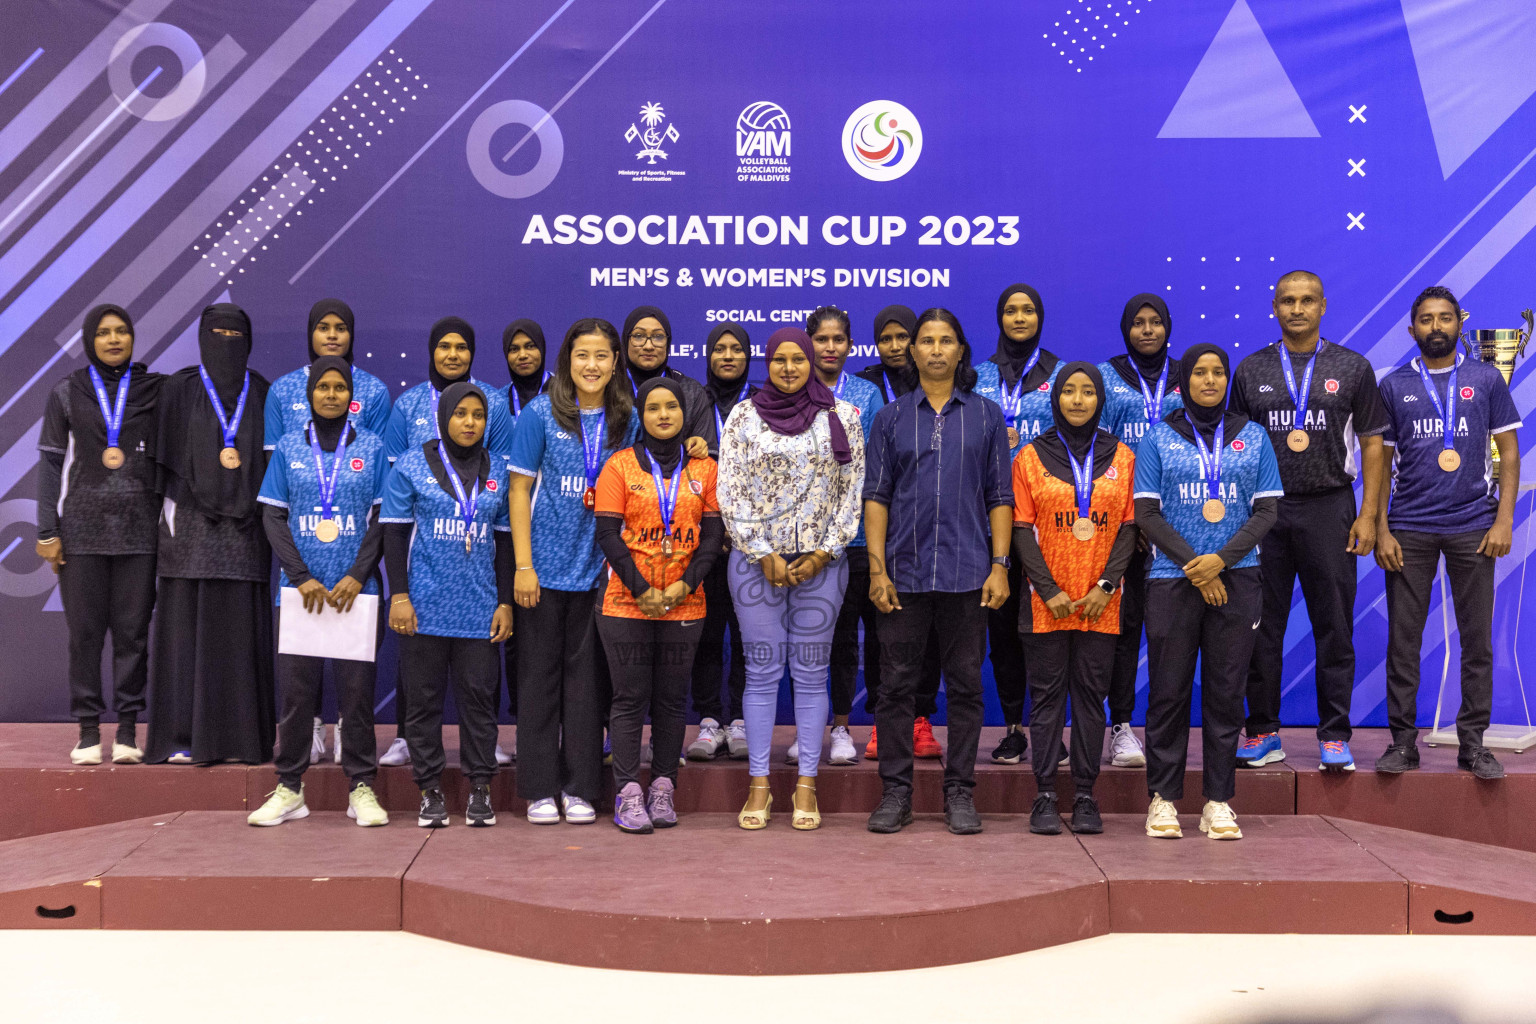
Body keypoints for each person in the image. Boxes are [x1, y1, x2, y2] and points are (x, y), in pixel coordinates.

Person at [1230, 271, 1390, 772]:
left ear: (1323, 306)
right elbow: (1234, 445)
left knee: (1334, 626)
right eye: (1287, 301)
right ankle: (1262, 731)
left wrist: (1368, 515)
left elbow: (1372, 444)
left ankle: (1335, 735)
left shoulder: (1353, 366)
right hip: (1265, 512)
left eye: (1307, 301)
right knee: (1261, 626)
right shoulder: (1251, 369)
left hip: (1330, 507)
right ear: (1274, 308)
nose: (1297, 309)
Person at [864, 309, 1012, 836]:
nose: (934, 349)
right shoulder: (890, 417)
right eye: (926, 340)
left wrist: (1000, 565)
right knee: (896, 687)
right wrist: (877, 570)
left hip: (969, 573)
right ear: (913, 351)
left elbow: (1000, 498)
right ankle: (896, 794)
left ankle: (960, 794)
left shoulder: (988, 417)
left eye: (945, 340)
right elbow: (876, 497)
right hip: (901, 575)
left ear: (960, 351)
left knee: (967, 688)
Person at [718, 326, 863, 831]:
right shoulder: (742, 415)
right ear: (767, 363)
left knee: (809, 672)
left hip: (822, 566)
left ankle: (806, 784)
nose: (787, 368)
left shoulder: (841, 416)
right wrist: (762, 553)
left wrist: (824, 553)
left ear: (809, 361)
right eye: (778, 360)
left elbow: (852, 494)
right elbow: (729, 491)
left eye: (796, 360)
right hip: (756, 565)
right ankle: (759, 785)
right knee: (760, 673)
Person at [1134, 344, 1281, 840]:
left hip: (1237, 578)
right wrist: (1198, 568)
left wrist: (1219, 562)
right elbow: (1147, 513)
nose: (1210, 380)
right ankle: (1163, 799)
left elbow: (1266, 512)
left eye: (1219, 372)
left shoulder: (1254, 437)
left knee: (1225, 694)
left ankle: (1218, 801)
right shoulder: (1158, 438)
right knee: (1169, 693)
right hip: (1171, 581)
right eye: (1200, 372)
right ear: (1184, 380)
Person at [1374, 285, 1521, 781]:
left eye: (1444, 318)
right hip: (1408, 528)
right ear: (1411, 328)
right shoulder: (1393, 386)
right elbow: (1381, 461)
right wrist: (1380, 528)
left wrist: (1504, 519)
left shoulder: (1485, 379)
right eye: (1426, 319)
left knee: (1477, 640)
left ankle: (1473, 745)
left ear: (1460, 322)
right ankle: (1402, 743)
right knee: (1404, 639)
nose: (1436, 327)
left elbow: (1510, 452)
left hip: (1474, 526)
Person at [509, 318, 639, 825]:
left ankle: (582, 787)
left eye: (602, 356)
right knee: (539, 681)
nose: (592, 365)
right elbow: (519, 490)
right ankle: (540, 787)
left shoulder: (626, 417)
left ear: (614, 363)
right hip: (541, 573)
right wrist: (523, 565)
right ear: (567, 360)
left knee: (588, 687)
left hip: (602, 575)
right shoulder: (540, 414)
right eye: (582, 355)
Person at [251, 357, 389, 826]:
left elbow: (382, 519)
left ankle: (362, 788)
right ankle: (290, 788)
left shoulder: (371, 447)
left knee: (357, 699)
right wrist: (302, 576)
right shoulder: (289, 447)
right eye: (322, 387)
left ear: (351, 396)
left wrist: (356, 574)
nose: (330, 394)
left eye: (338, 387)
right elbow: (272, 516)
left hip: (357, 591)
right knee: (296, 697)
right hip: (300, 594)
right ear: (309, 394)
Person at [378, 316, 512, 768]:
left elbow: (499, 472)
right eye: (444, 346)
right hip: (426, 552)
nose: (453, 354)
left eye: (462, 347)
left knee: (479, 678)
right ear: (432, 351)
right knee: (419, 661)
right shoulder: (408, 403)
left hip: (478, 557)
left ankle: (484, 747)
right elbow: (398, 471)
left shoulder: (492, 401)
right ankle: (405, 737)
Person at [146, 303, 275, 765]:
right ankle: (182, 736)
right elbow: (161, 465)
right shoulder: (177, 389)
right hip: (189, 533)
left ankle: (243, 740)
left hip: (246, 535)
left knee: (240, 637)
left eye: (235, 333)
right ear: (201, 337)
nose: (226, 341)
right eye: (217, 332)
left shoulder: (262, 391)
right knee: (185, 636)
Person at [1012, 363, 1137, 835]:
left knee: (1089, 700)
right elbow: (1021, 529)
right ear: (1055, 398)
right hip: (1046, 603)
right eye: (1068, 391)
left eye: (1088, 392)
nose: (1078, 400)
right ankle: (1044, 796)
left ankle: (1085, 795)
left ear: (1100, 399)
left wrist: (1104, 588)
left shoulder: (1123, 457)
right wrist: (1049, 591)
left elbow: (1130, 527)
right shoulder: (1028, 456)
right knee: (1046, 703)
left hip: (1100, 604)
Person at [595, 378, 725, 831]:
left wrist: (682, 588)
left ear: (684, 415)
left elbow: (712, 539)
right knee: (630, 698)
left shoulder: (704, 469)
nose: (663, 415)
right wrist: (643, 590)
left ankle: (664, 790)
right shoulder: (619, 466)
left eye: (672, 407)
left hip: (685, 604)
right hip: (626, 603)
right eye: (654, 408)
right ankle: (628, 795)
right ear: (641, 415)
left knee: (671, 701)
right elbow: (609, 536)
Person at [36, 304, 163, 765]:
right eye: (105, 333)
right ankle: (88, 731)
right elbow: (51, 462)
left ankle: (128, 730)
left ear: (132, 338)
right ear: (90, 340)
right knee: (85, 634)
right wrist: (47, 529)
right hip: (82, 531)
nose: (114, 340)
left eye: (122, 332)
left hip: (140, 531)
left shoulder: (154, 390)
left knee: (132, 634)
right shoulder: (67, 392)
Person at [974, 283, 1061, 765]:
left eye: (1029, 309)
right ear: (999, 318)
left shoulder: (1064, 374)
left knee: (1050, 631)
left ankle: (1053, 731)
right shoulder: (977, 376)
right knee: (1003, 632)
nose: (1019, 318)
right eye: (1010, 310)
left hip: (1052, 525)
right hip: (990, 524)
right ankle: (1012, 728)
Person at [1096, 294, 1182, 769]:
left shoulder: (1188, 372)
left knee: (1171, 631)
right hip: (1124, 523)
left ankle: (1167, 727)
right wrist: (1135, 515)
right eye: (1138, 323)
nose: (1147, 330)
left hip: (1180, 523)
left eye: (1155, 323)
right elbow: (1101, 449)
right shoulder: (1107, 377)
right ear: (1126, 328)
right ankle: (1121, 726)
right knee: (1125, 630)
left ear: (1168, 327)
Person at [856, 303, 944, 758]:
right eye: (885, 338)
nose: (894, 346)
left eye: (901, 338)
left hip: (935, 529)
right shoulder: (863, 387)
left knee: (928, 635)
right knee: (883, 631)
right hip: (881, 523)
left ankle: (922, 718)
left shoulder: (939, 386)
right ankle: (882, 721)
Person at [799, 304, 884, 767]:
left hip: (854, 538)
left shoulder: (867, 395)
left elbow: (873, 465)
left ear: (850, 345)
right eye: (822, 339)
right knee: (814, 639)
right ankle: (811, 727)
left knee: (854, 638)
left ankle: (844, 728)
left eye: (838, 340)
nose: (830, 347)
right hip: (807, 539)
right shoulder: (792, 390)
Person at [687, 321, 754, 761]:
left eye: (736, 349)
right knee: (707, 636)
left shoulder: (765, 403)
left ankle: (744, 720)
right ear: (708, 355)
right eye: (719, 349)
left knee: (750, 638)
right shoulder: (693, 402)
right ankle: (710, 721)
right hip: (703, 541)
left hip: (752, 543)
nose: (727, 356)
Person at [496, 317, 551, 767]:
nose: (523, 355)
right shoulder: (495, 404)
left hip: (561, 531)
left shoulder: (566, 399)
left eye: (530, 346)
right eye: (514, 348)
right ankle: (523, 728)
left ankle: (588, 731)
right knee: (517, 638)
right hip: (507, 527)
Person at [622, 305, 710, 456]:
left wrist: (698, 447)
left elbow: (707, 456)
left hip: (676, 478)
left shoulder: (689, 390)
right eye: (638, 336)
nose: (648, 346)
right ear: (625, 340)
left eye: (658, 337)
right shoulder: (609, 386)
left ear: (668, 343)